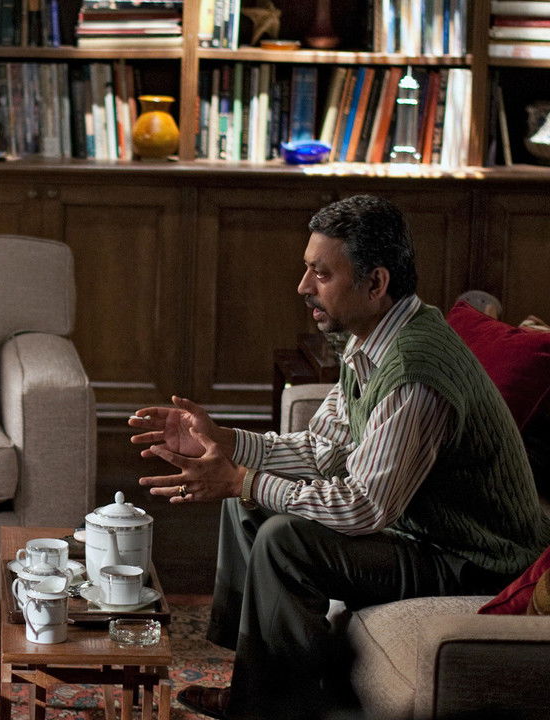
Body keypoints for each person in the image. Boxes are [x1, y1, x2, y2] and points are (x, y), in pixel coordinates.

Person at [128, 194, 549, 720]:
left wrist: (243, 479)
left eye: (321, 274)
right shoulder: (371, 339)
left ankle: (274, 708)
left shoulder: (414, 373)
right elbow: (322, 449)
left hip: (476, 559)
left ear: (375, 283)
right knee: (246, 506)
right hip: (425, 534)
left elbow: (364, 507)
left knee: (283, 538)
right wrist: (226, 442)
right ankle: (259, 686)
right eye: (308, 269)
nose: (303, 286)